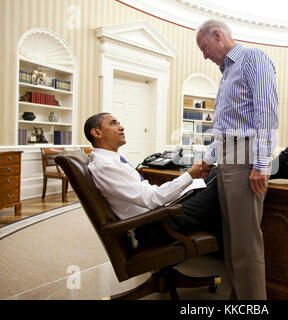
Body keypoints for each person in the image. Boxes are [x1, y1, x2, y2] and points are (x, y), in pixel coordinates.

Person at [196, 19, 278, 300]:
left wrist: (261, 163)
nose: (204, 55)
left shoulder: (253, 58)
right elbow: (224, 128)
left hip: (245, 156)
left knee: (246, 245)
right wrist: (207, 159)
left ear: (217, 35)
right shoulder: (226, 72)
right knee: (231, 241)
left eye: (205, 47)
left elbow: (266, 112)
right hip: (227, 157)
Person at [84, 112, 222, 249]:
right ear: (96, 133)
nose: (121, 127)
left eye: (119, 123)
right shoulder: (105, 165)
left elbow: (147, 193)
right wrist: (190, 174)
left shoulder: (113, 157)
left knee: (210, 177)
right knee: (218, 177)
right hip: (151, 226)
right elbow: (152, 198)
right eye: (113, 123)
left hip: (154, 216)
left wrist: (189, 179)